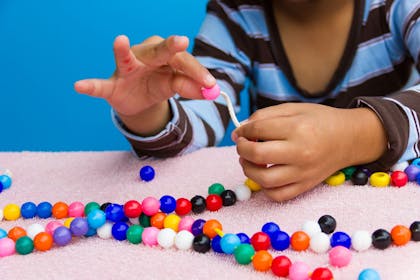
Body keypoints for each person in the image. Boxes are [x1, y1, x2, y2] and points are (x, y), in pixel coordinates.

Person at [74, 0, 420, 201]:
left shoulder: (397, 7)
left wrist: (357, 134)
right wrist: (147, 110)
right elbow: (201, 115)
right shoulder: (236, 14)